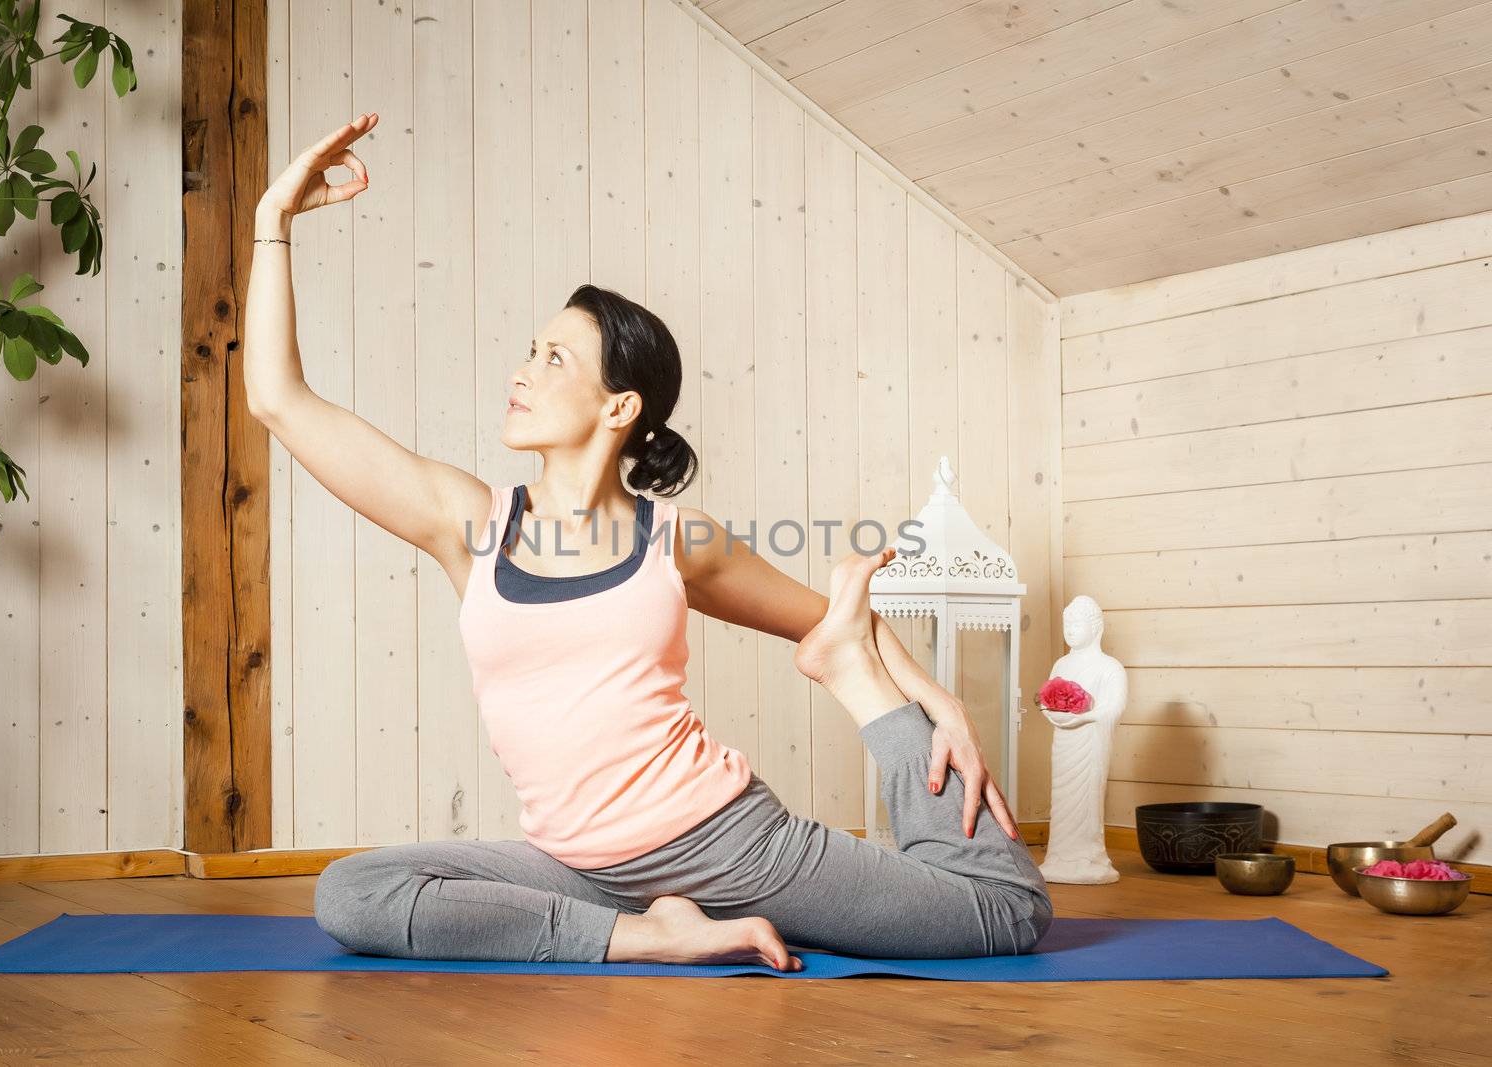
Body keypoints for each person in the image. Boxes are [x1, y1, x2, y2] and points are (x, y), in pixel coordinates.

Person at [245, 113, 1052, 970]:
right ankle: (646, 938)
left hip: (728, 846)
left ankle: (859, 702)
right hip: (579, 870)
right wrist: (275, 220)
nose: (522, 370)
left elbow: (835, 622)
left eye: (555, 358)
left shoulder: (676, 539)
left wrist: (931, 703)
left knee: (1006, 914)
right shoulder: (468, 521)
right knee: (353, 891)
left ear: (618, 406)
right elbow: (279, 399)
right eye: (530, 349)